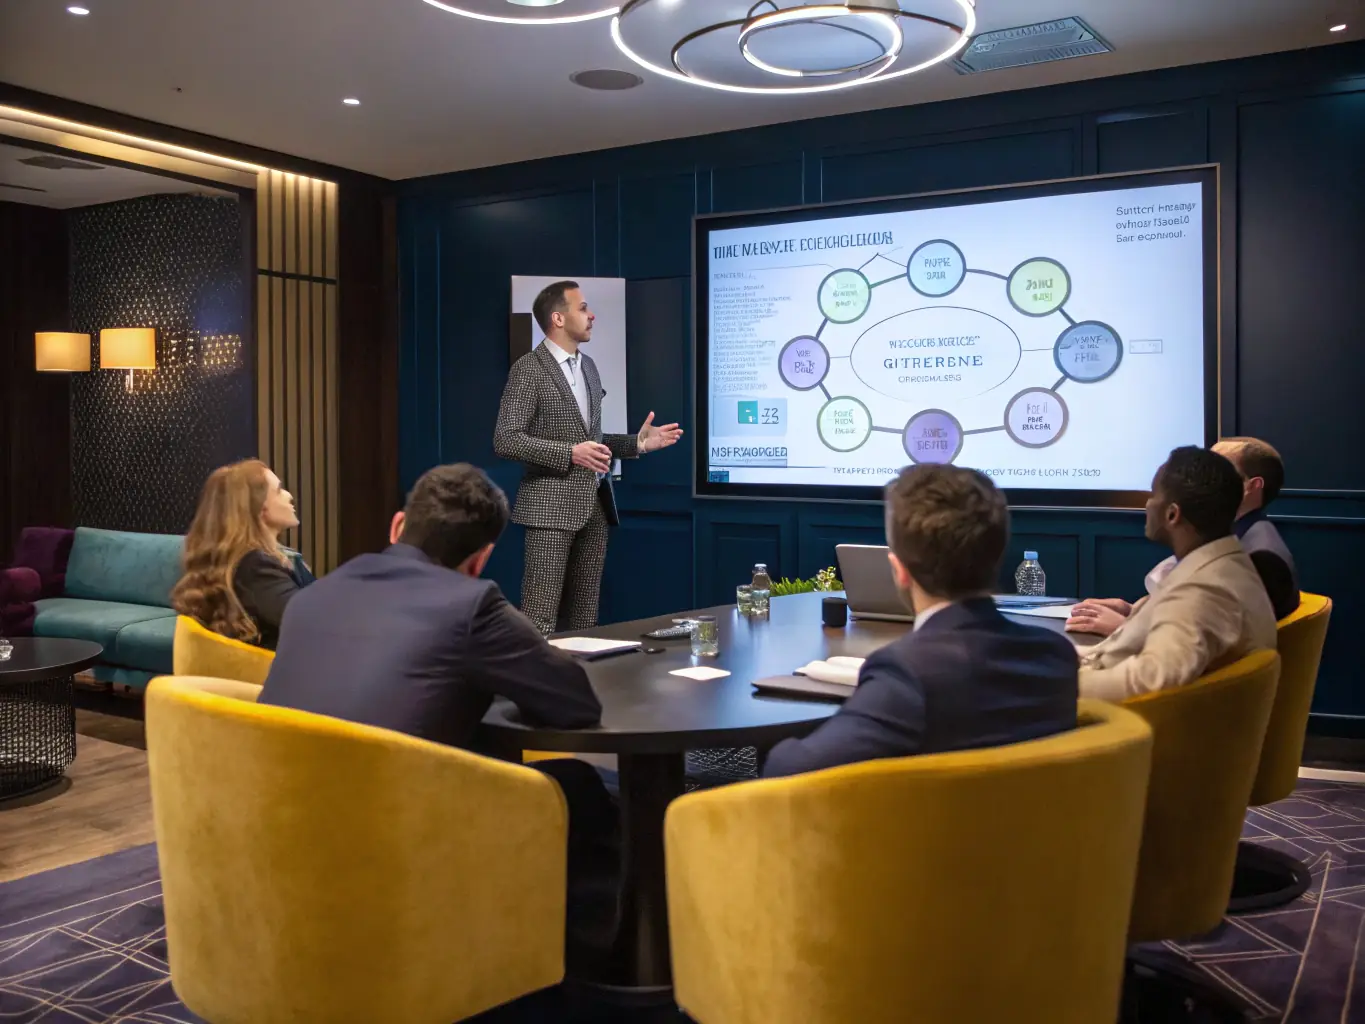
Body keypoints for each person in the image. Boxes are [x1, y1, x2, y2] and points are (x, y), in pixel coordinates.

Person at [257, 463, 617, 967]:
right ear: (481, 559)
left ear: (398, 526)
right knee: (582, 784)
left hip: (275, 822)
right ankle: (597, 969)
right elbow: (575, 705)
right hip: (395, 839)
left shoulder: (315, 594)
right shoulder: (472, 605)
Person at [763, 464, 1078, 779]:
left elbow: (791, 770)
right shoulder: (1055, 656)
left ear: (899, 571)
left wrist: (770, 750)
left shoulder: (908, 675)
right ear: (997, 556)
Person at [493, 280, 683, 636]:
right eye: (582, 308)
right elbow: (505, 440)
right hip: (549, 508)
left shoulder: (590, 367)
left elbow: (592, 441)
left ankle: (582, 688)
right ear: (558, 318)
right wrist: (570, 453)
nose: (592, 315)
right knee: (540, 617)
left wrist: (638, 445)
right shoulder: (528, 369)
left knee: (585, 621)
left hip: (595, 506)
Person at [1077, 446, 1277, 702]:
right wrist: (1054, 658)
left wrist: (1056, 685)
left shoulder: (1204, 590)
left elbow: (1153, 679)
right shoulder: (1222, 564)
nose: (1147, 505)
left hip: (1118, 725)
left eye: (1152, 495)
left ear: (1172, 514)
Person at [1068, 437, 1299, 635]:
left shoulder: (1259, 556)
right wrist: (1132, 611)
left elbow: (1216, 647)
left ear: (1252, 486)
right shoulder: (1234, 536)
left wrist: (1125, 628)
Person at [171, 459, 313, 649]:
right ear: (260, 509)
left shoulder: (258, 558)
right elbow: (310, 620)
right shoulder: (255, 566)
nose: (289, 496)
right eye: (279, 490)